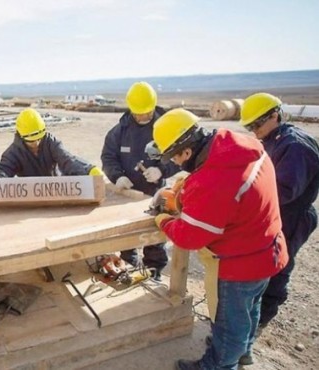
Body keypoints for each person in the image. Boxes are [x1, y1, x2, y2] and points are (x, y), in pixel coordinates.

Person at [152, 108, 288, 370]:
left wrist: (164, 220)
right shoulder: (239, 143)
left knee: (228, 324)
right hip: (267, 248)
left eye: (175, 158)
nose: (177, 164)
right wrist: (191, 184)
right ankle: (244, 352)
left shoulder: (212, 181)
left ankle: (219, 364)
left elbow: (190, 236)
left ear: (187, 152)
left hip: (240, 265)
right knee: (250, 310)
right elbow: (231, 194)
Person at [240, 93, 319, 329]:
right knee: (261, 265)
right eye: (249, 126)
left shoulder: (295, 146)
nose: (253, 130)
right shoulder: (273, 139)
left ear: (275, 115)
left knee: (278, 266)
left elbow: (284, 190)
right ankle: (250, 319)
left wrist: (243, 196)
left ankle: (260, 322)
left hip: (292, 217)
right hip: (276, 213)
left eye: (256, 124)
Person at [101, 81, 180, 279]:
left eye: (146, 112)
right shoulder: (120, 131)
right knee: (127, 238)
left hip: (155, 194)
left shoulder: (165, 127)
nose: (142, 117)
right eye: (138, 113)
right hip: (128, 194)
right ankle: (129, 269)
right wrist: (117, 176)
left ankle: (154, 274)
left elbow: (181, 157)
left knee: (155, 237)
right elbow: (108, 157)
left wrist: (162, 170)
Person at [0, 108, 103, 177]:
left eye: (39, 139)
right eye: (32, 141)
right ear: (21, 137)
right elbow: (3, 169)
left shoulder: (51, 143)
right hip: (29, 197)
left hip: (54, 192)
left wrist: (88, 170)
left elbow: (67, 160)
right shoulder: (13, 153)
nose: (36, 143)